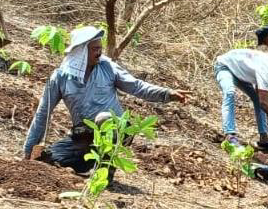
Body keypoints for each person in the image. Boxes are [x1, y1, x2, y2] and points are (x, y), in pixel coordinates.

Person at [24, 26, 187, 170]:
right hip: (85, 135)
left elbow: (136, 86)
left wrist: (167, 94)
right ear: (81, 51)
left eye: (99, 48)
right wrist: (28, 152)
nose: (99, 52)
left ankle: (105, 172)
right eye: (94, 49)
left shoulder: (107, 66)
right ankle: (88, 159)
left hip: (117, 129)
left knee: (105, 118)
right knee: (50, 158)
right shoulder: (60, 77)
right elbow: (43, 114)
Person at [213, 47, 268, 155]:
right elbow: (265, 104)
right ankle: (230, 135)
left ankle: (264, 139)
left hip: (242, 74)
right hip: (224, 66)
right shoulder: (267, 69)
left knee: (258, 100)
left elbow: (262, 99)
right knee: (230, 93)